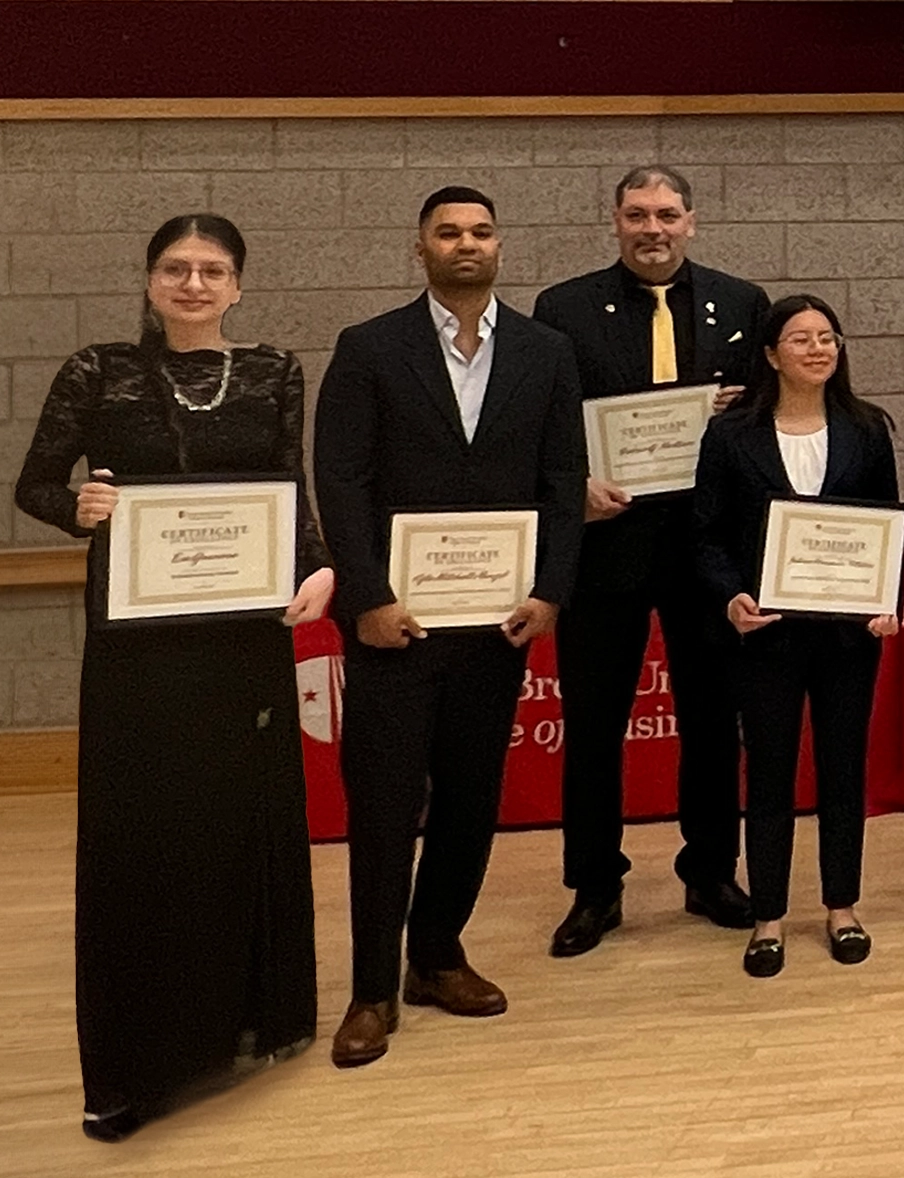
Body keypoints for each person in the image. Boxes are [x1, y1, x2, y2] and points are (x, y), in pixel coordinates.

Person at [15, 215, 329, 1139]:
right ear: (151, 281)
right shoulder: (97, 370)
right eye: (176, 269)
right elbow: (36, 484)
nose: (194, 283)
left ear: (238, 286)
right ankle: (137, 1063)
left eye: (213, 270)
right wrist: (80, 507)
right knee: (142, 833)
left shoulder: (274, 370)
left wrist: (318, 564)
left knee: (240, 819)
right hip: (138, 649)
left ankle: (252, 1020)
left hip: (244, 639)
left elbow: (289, 483)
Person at [312, 187, 586, 1068]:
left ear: (500, 245)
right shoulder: (369, 349)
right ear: (420, 246)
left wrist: (550, 590)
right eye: (448, 232)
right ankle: (369, 991)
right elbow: (341, 481)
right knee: (386, 807)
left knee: (472, 800)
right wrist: (366, 597)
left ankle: (436, 955)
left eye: (481, 231)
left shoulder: (547, 352)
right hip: (398, 624)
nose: (466, 244)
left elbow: (562, 477)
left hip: (495, 626)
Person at [530, 165, 769, 956]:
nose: (653, 228)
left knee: (712, 719)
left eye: (667, 213)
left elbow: (769, 420)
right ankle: (595, 888)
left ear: (692, 221)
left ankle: (710, 872)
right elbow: (546, 423)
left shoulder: (742, 304)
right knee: (594, 725)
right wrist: (575, 486)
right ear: (615, 221)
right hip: (606, 548)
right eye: (638, 215)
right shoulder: (562, 310)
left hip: (708, 550)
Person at [693, 295, 901, 977]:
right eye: (801, 338)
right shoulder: (730, 435)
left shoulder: (867, 429)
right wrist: (731, 598)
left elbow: (885, 531)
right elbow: (707, 535)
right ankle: (770, 916)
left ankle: (843, 907)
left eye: (827, 338)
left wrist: (887, 600)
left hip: (847, 637)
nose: (817, 349)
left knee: (844, 771)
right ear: (769, 354)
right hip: (767, 637)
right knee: (771, 777)